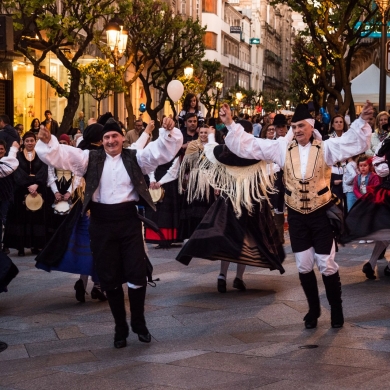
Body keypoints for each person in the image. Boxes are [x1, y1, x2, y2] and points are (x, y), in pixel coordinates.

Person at [220, 101, 373, 329]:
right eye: (294, 126)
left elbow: (351, 142)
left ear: (311, 126)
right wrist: (231, 124)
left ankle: (337, 309)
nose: (297, 130)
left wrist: (361, 121)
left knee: (326, 263)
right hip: (297, 217)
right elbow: (252, 145)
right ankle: (313, 309)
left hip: (321, 214)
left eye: (301, 126)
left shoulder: (326, 148)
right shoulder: (282, 148)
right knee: (303, 264)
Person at [35, 117, 183, 349]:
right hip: (101, 223)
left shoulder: (136, 157)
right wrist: (49, 141)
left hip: (128, 222)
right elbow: (63, 155)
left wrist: (168, 132)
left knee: (137, 274)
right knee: (108, 276)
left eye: (115, 136)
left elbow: (160, 152)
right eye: (106, 137)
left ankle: (139, 322)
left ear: (122, 138)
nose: (111, 140)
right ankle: (120, 327)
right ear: (101, 141)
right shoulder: (88, 159)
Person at [176, 122, 285, 292]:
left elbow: (211, 151)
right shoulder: (255, 152)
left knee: (226, 236)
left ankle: (223, 275)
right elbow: (273, 167)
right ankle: (238, 278)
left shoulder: (226, 151)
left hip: (230, 199)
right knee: (246, 240)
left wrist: (212, 136)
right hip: (251, 202)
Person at [342, 137, 390, 279]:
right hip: (387, 193)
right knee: (383, 230)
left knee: (384, 232)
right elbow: (380, 169)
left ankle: (371, 263)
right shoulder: (387, 143)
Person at [3, 132, 49, 256]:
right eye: (27, 141)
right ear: (23, 142)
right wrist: (28, 184)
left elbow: (44, 170)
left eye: (32, 141)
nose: (30, 143)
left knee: (36, 218)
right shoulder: (17, 156)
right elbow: (16, 171)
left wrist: (37, 184)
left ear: (35, 142)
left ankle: (36, 245)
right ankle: (20, 246)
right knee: (21, 219)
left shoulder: (41, 155)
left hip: (37, 190)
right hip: (21, 190)